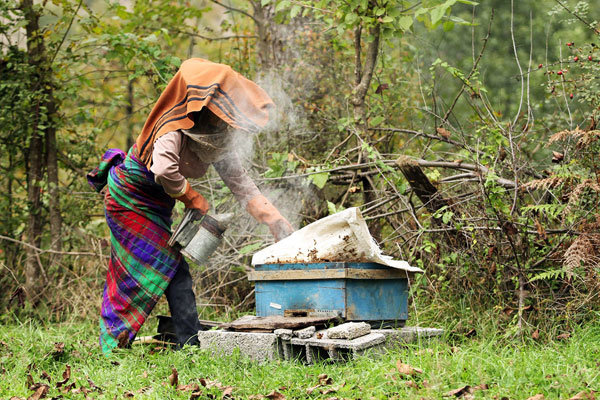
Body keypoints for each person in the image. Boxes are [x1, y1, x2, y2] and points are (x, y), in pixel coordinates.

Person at [87, 58, 294, 354]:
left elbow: (241, 183)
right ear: (205, 107)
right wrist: (193, 197)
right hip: (129, 199)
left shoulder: (214, 138)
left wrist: (274, 219)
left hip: (158, 204)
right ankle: (125, 347)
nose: (224, 123)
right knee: (150, 272)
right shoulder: (171, 127)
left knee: (170, 269)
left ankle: (185, 343)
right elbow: (164, 170)